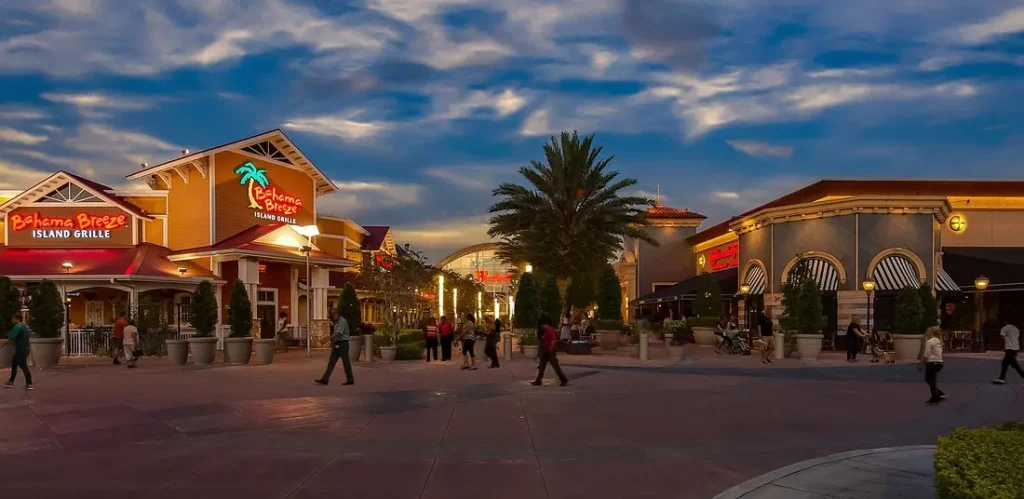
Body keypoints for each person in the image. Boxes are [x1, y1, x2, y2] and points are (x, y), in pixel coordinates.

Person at [315, 311, 354, 386]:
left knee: (346, 362)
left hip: (343, 344)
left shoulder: (342, 321)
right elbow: (335, 334)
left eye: (333, 316)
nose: (333, 318)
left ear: (337, 314)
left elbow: (337, 333)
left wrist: (326, 339)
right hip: (337, 344)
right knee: (331, 363)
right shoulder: (337, 322)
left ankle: (350, 379)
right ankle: (325, 379)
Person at [532, 314, 569, 386]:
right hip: (546, 351)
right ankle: (538, 380)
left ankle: (564, 379)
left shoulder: (550, 330)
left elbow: (553, 340)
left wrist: (550, 348)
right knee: (542, 366)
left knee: (555, 366)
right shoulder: (545, 330)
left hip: (550, 351)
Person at [4, 313, 32, 390]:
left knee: (23, 366)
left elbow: (11, 337)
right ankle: (11, 381)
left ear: (17, 319)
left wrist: (2, 344)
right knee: (14, 364)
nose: (12, 320)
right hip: (24, 348)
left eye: (13, 318)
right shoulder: (24, 326)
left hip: (21, 349)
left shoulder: (17, 327)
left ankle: (29, 383)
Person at [992, 318, 1024, 385]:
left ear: (1006, 321)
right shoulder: (1016, 329)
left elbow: (1002, 335)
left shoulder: (1005, 328)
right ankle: (1001, 378)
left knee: (1015, 366)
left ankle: (1002, 378)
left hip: (1009, 349)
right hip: (1016, 348)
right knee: (1004, 363)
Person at [921, 326, 945, 404]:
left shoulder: (929, 342)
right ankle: (938, 393)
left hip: (931, 363)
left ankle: (935, 397)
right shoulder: (939, 340)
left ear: (931, 332)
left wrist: (922, 363)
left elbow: (927, 353)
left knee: (929, 380)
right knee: (932, 380)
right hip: (939, 362)